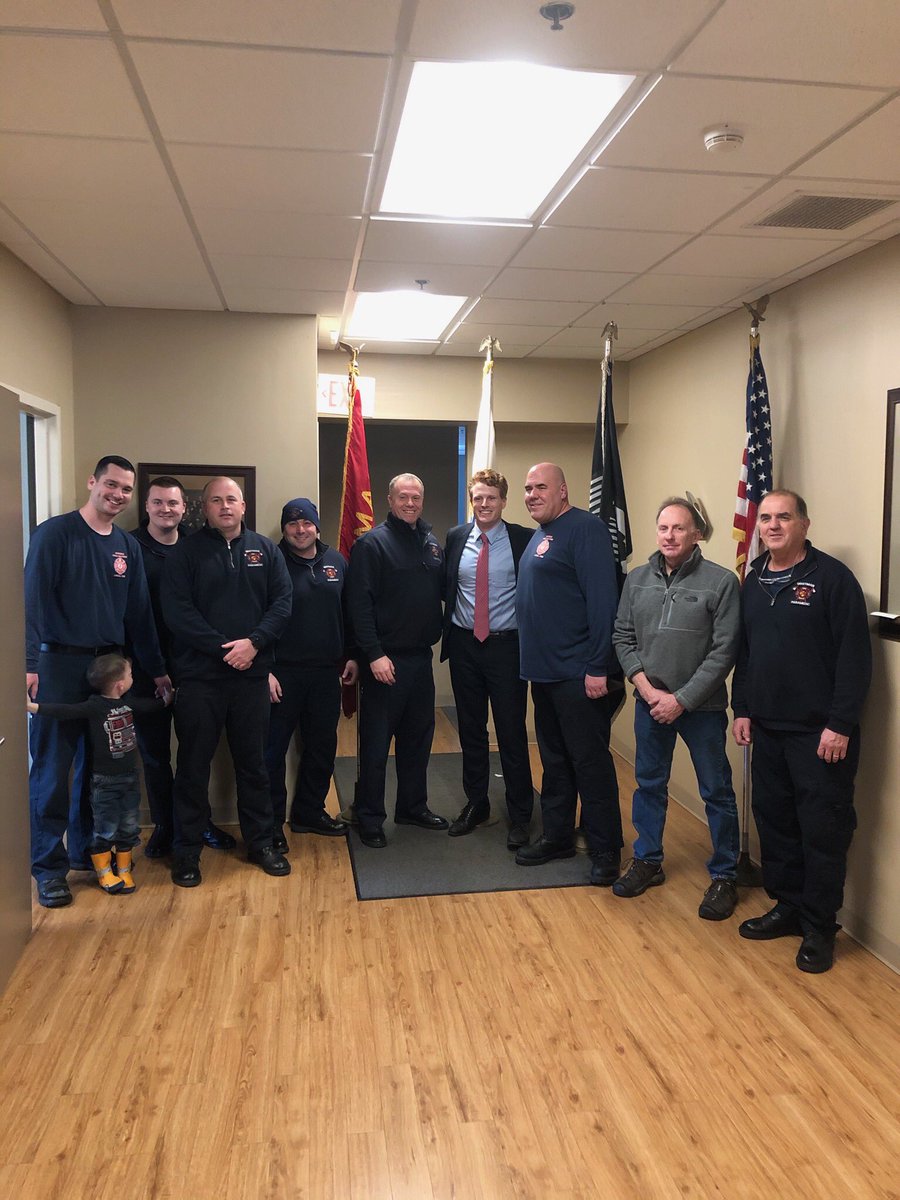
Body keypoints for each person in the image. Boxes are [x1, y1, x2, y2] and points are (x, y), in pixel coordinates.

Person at [732, 489, 871, 973]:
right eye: (766, 518)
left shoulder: (831, 579)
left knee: (822, 831)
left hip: (819, 738)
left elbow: (855, 660)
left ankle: (818, 927)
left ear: (804, 524)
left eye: (783, 517)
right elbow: (745, 654)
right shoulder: (753, 582)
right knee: (776, 824)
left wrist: (840, 724)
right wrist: (742, 708)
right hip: (767, 730)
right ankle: (787, 906)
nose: (772, 525)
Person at [24, 454, 169, 909]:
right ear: (93, 482)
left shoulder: (126, 546)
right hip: (58, 665)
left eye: (126, 489)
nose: (118, 494)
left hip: (108, 668)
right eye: (111, 485)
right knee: (52, 771)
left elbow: (140, 617)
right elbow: (30, 600)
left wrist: (158, 668)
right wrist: (28, 665)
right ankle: (49, 868)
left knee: (98, 769)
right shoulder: (55, 534)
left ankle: (90, 851)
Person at [612, 497, 741, 918]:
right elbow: (622, 637)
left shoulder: (721, 582)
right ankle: (648, 860)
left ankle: (725, 874)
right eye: (663, 528)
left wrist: (681, 700)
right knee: (649, 784)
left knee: (716, 791)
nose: (669, 536)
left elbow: (724, 652)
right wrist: (649, 692)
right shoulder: (637, 579)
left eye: (679, 528)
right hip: (649, 703)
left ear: (696, 534)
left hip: (700, 709)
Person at [162, 477, 292, 887]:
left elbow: (282, 604)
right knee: (193, 767)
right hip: (201, 679)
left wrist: (253, 644)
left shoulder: (266, 551)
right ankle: (186, 852)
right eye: (216, 500)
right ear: (205, 508)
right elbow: (177, 613)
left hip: (250, 678)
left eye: (231, 499)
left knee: (253, 765)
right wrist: (225, 650)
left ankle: (261, 843)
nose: (224, 506)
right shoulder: (186, 553)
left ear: (243, 505)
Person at [515, 462, 623, 884]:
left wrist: (598, 665)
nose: (532, 494)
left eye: (540, 487)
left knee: (590, 764)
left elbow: (603, 603)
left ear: (563, 490)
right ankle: (557, 837)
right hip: (544, 675)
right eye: (527, 488)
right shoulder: (542, 535)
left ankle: (605, 849)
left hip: (580, 675)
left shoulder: (585, 529)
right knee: (555, 763)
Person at [130, 476, 235, 858]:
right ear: (147, 506)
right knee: (155, 755)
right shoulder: (129, 547)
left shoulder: (197, 548)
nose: (166, 510)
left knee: (195, 755)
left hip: (193, 668)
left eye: (173, 503)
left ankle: (198, 823)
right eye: (158, 503)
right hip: (145, 671)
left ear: (185, 508)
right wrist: (152, 668)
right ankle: (165, 825)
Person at [345, 473, 447, 847]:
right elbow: (359, 605)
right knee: (375, 745)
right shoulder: (372, 545)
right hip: (384, 662)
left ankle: (412, 807)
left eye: (416, 497)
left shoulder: (431, 544)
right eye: (402, 497)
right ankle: (370, 816)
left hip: (421, 660)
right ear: (389, 500)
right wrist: (373, 654)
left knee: (417, 740)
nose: (410, 503)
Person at [441, 469, 534, 849]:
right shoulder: (456, 538)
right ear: (471, 500)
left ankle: (521, 814)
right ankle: (476, 803)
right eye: (478, 497)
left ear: (503, 501)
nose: (484, 504)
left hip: (506, 648)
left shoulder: (523, 539)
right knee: (471, 729)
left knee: (511, 733)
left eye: (491, 498)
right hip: (465, 646)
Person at [27, 653, 170, 895]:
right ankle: (104, 873)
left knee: (129, 826)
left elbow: (150, 706)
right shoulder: (93, 707)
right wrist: (34, 707)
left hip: (129, 779)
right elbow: (64, 711)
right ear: (120, 684)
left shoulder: (128, 704)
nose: (132, 678)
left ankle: (123, 870)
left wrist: (167, 700)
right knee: (105, 828)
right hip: (104, 782)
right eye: (130, 674)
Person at [266, 498, 357, 850]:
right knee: (272, 752)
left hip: (325, 672)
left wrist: (351, 656)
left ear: (317, 526)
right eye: (292, 524)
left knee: (321, 746)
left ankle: (309, 812)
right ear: (285, 527)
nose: (300, 530)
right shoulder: (272, 561)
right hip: (281, 673)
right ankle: (272, 823)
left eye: (307, 523)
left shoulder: (336, 561)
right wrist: (265, 671)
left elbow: (347, 613)